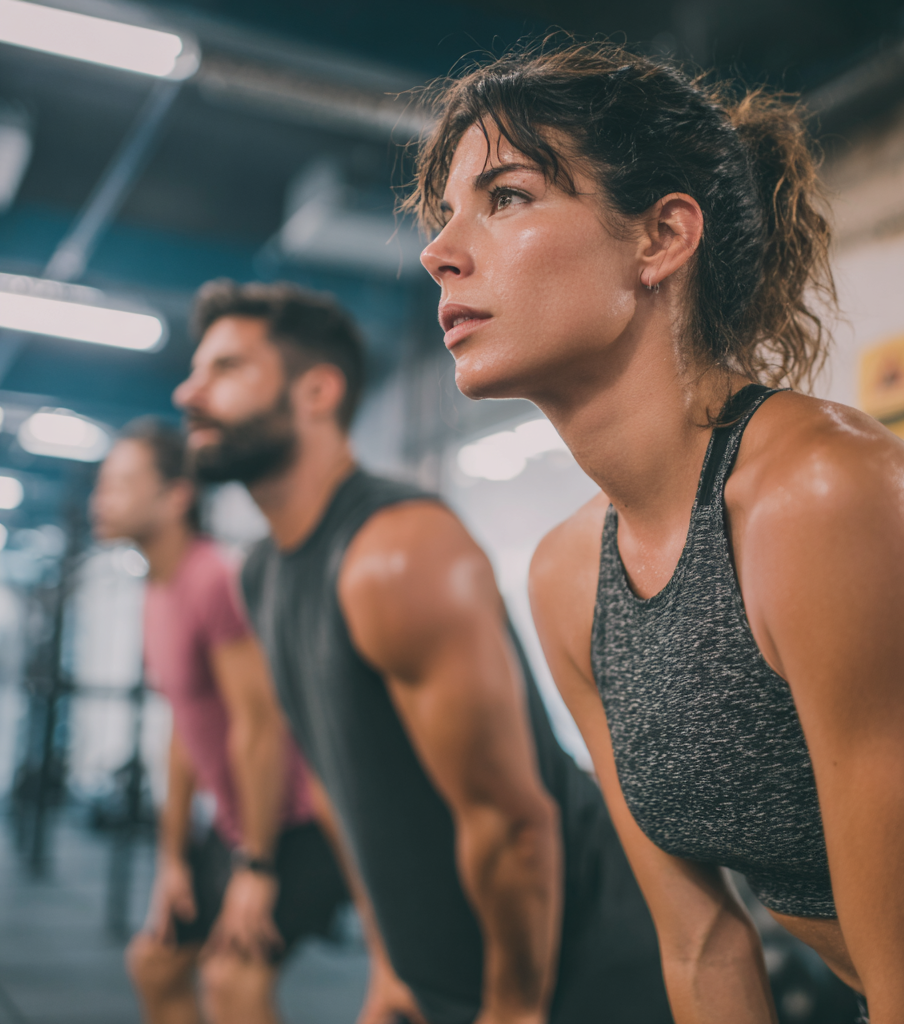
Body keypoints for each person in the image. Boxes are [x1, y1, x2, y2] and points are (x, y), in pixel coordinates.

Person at [410, 39, 904, 1024]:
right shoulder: (570, 577)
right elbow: (702, 949)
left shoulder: (822, 500)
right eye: (445, 213)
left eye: (507, 196)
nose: (439, 248)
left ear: (659, 238)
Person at [171, 279, 674, 1024]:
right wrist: (388, 960)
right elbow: (340, 787)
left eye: (227, 369)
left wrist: (513, 1009)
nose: (188, 392)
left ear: (317, 391)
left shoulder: (398, 554)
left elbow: (509, 818)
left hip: (580, 971)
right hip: (443, 971)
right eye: (197, 368)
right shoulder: (265, 574)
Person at [90, 418, 349, 1024]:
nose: (102, 498)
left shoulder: (213, 578)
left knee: (233, 983)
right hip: (232, 828)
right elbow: (184, 731)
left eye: (123, 482)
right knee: (156, 963)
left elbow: (261, 727)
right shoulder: (158, 589)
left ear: (177, 495)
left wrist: (255, 868)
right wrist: (173, 858)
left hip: (297, 830)